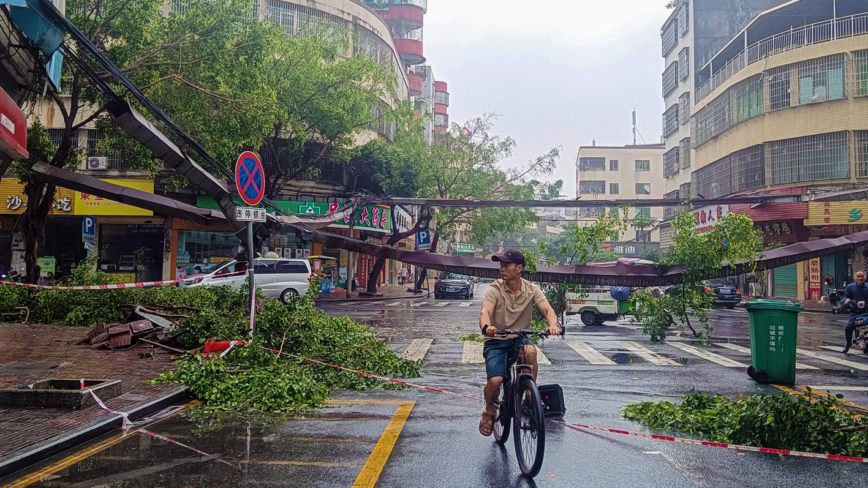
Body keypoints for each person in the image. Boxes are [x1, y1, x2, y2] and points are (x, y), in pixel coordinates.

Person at [478, 249, 560, 437]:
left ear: (519, 268)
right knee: (496, 380)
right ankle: (489, 410)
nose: (502, 268)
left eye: (507, 265)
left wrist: (553, 325)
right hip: (497, 340)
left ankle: (530, 394)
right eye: (501, 265)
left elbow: (548, 310)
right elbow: (485, 312)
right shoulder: (495, 288)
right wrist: (487, 326)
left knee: (531, 352)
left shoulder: (532, 289)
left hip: (519, 337)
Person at [842, 270, 868, 353]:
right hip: (855, 312)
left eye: (862, 276)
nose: (860, 278)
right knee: (848, 328)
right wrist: (846, 300)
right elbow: (845, 297)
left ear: (865, 277)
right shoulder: (850, 287)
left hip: (866, 312)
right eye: (858, 276)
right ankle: (848, 344)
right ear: (855, 277)